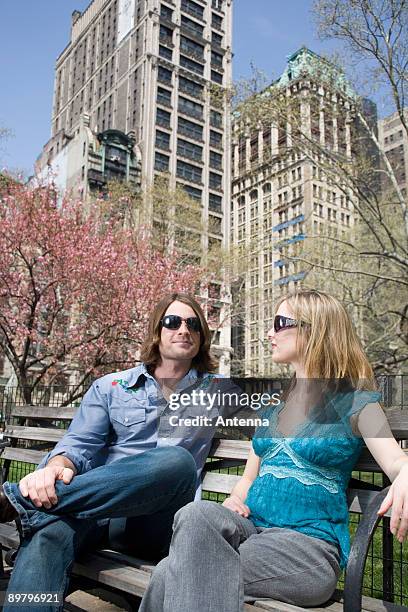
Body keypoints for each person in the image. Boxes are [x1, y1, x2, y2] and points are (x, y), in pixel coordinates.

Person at [139, 289, 408, 612]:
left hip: (305, 549)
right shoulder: (274, 409)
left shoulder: (358, 404)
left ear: (314, 329)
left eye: (280, 323)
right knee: (195, 513)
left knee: (171, 572)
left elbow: (394, 460)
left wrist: (405, 473)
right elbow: (247, 480)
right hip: (252, 532)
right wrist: (236, 498)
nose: (270, 333)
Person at [0, 292, 222, 611]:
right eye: (172, 322)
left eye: (194, 324)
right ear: (156, 332)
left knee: (177, 461)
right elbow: (78, 446)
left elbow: (279, 419)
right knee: (48, 535)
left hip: (155, 522)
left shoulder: (218, 391)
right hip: (96, 510)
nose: (184, 330)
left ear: (202, 337)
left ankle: (18, 501)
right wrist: (54, 469)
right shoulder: (111, 387)